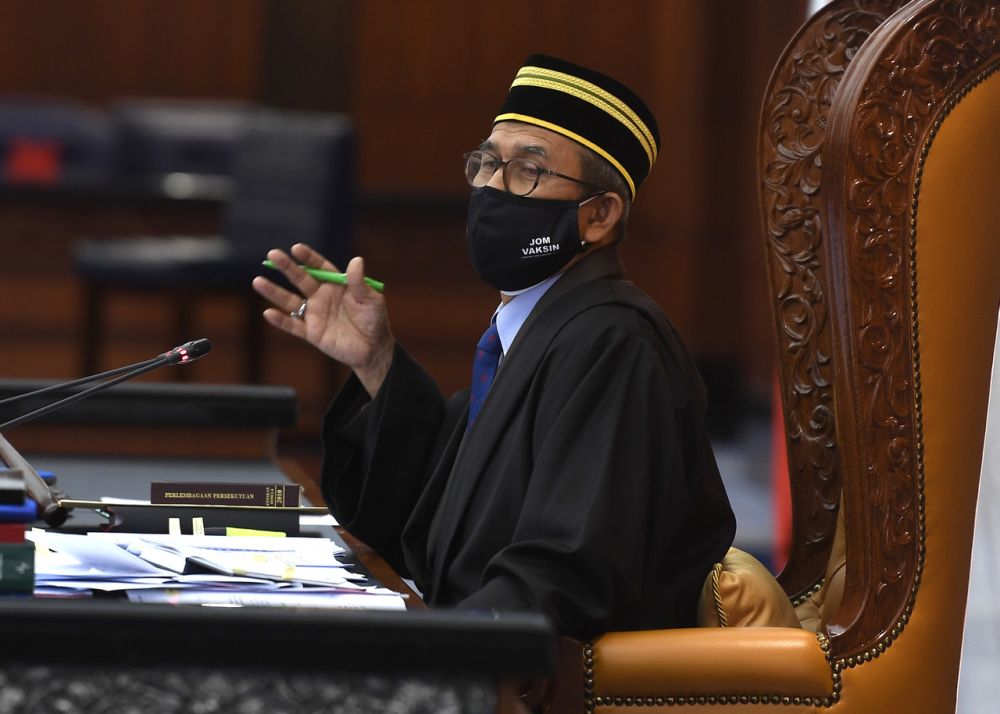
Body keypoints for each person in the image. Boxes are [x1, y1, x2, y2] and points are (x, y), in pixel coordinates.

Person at [252, 54, 735, 638]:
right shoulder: (537, 330)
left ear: (599, 216)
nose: (490, 187)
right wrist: (377, 363)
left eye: (527, 170)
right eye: (486, 163)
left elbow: (560, 578)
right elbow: (447, 519)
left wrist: (416, 656)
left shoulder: (613, 346)